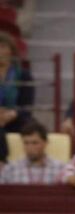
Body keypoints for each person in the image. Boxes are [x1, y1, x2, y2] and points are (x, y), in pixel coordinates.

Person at [0, 31, 34, 163]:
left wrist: (12, 114)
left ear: (11, 51)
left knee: (33, 128)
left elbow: (27, 106)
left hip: (16, 118)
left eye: (3, 46)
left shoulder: (23, 75)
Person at [0, 121, 65, 184]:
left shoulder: (60, 169)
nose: (30, 147)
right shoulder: (10, 169)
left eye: (35, 143)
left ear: (45, 143)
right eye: (26, 143)